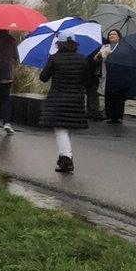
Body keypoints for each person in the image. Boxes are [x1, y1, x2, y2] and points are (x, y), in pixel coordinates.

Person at [39, 32, 91, 173]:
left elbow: (43, 77)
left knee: (60, 128)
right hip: (76, 99)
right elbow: (87, 81)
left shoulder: (54, 59)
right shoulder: (82, 59)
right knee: (69, 127)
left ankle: (66, 159)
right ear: (75, 44)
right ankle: (66, 158)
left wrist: (48, 64)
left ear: (59, 44)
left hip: (58, 98)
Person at [97, 29, 126, 123]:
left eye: (114, 34)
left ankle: (118, 116)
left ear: (119, 37)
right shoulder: (105, 46)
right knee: (108, 95)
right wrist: (100, 55)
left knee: (119, 96)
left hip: (119, 74)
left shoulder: (122, 47)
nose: (111, 36)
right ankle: (109, 115)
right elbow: (98, 58)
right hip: (107, 73)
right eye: (110, 34)